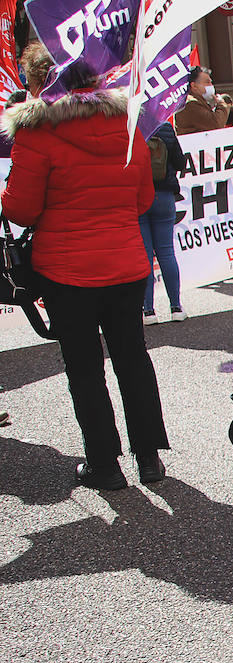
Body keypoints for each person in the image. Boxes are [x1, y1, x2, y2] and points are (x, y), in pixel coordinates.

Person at [1, 71, 169, 490]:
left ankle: (105, 464)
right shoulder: (129, 124)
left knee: (84, 367)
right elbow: (143, 199)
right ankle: (148, 457)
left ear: (43, 82)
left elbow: (20, 209)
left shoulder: (36, 131)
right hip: (125, 262)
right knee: (133, 357)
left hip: (65, 269)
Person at [140, 120, 185, 324]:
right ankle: (176, 307)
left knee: (145, 255)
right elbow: (180, 162)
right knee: (167, 252)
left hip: (139, 196)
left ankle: (148, 311)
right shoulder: (165, 127)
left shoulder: (130, 126)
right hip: (164, 195)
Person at [173, 67, 229, 134]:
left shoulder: (197, 102)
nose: (211, 86)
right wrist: (221, 103)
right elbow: (216, 123)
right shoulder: (190, 104)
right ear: (194, 86)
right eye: (207, 82)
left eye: (211, 82)